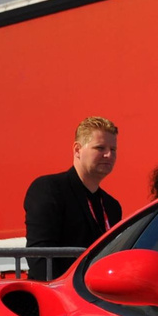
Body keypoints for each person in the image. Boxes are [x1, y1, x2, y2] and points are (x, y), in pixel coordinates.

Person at [24, 117, 122, 275]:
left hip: (97, 295)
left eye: (113, 149)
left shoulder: (112, 206)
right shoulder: (49, 189)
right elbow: (39, 257)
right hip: (57, 293)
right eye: (100, 148)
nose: (108, 155)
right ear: (77, 150)